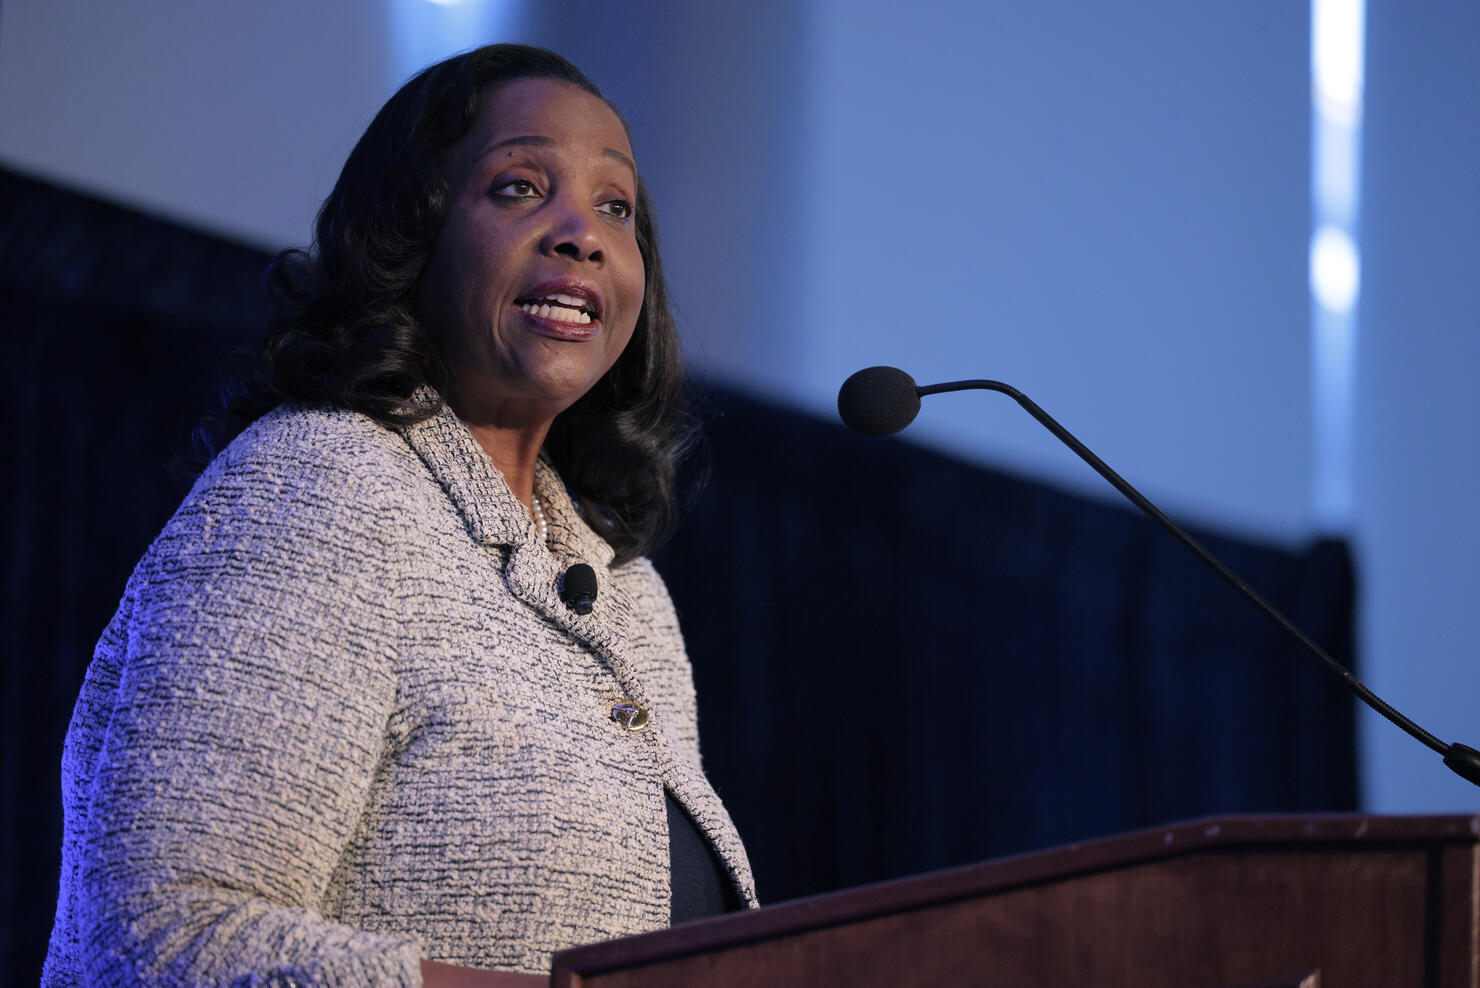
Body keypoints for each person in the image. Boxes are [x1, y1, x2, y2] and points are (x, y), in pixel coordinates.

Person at [43, 44, 755, 987]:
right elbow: (162, 937)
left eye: (616, 207)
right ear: (411, 236)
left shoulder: (626, 591)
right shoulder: (317, 489)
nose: (582, 234)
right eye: (519, 187)